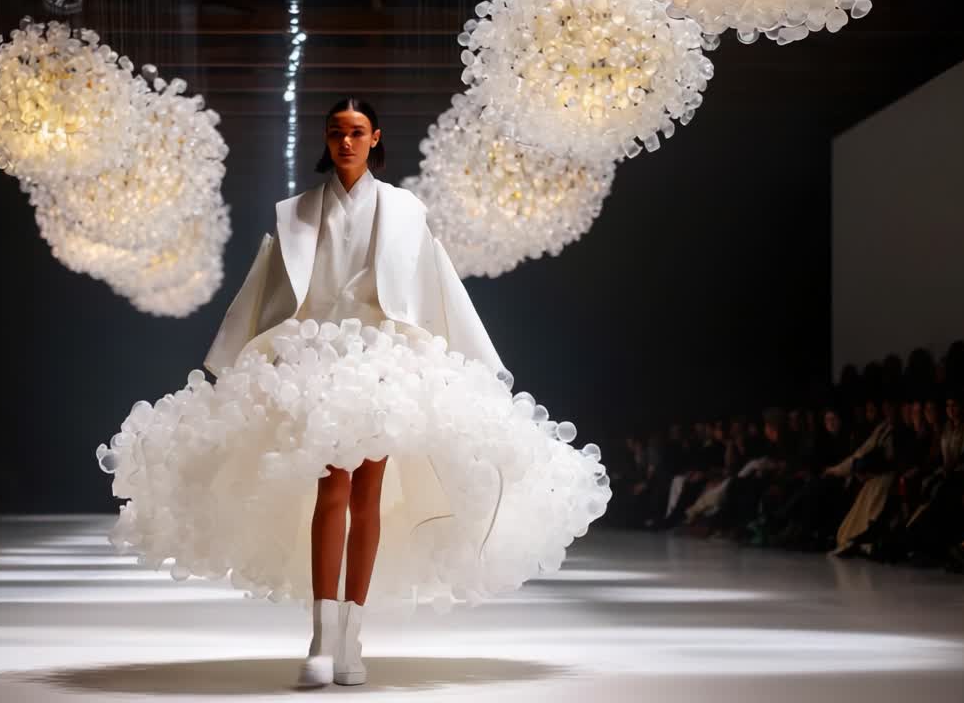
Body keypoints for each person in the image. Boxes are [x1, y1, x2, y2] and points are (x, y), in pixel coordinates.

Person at [96, 97, 610, 688]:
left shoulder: (404, 210)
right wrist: (233, 361)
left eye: (357, 132)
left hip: (383, 363)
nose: (346, 142)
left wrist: (469, 362)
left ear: (375, 138)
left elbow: (433, 282)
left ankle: (351, 636)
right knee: (331, 496)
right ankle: (321, 635)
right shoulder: (296, 214)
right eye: (337, 132)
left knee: (365, 495)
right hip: (315, 363)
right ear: (327, 137)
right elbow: (266, 288)